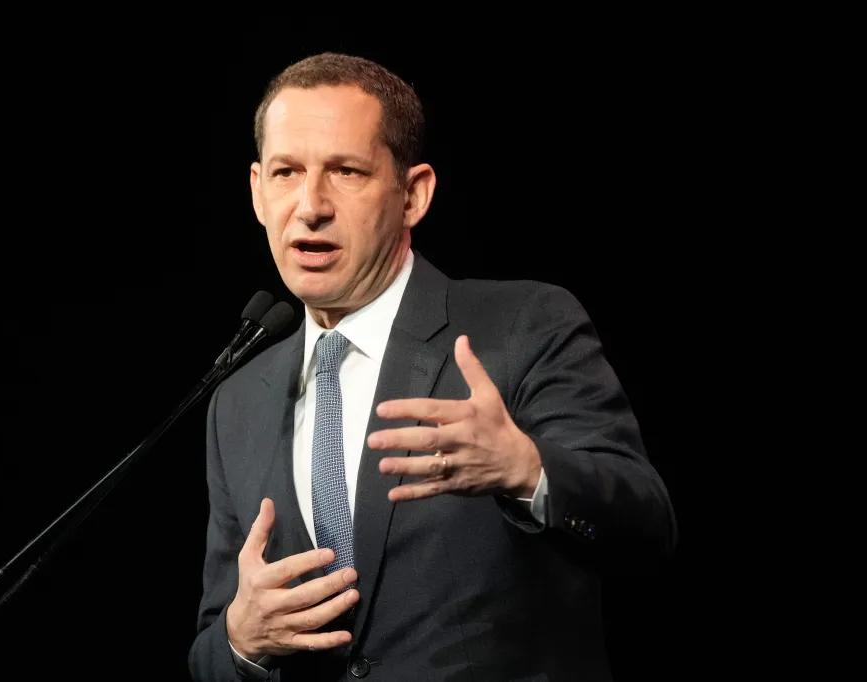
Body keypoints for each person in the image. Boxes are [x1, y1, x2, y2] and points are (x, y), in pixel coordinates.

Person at [188, 52, 676, 682]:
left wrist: (527, 470)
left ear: (413, 194)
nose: (310, 205)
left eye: (345, 171)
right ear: (257, 191)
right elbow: (209, 646)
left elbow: (647, 526)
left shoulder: (521, 325)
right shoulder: (238, 401)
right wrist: (242, 638)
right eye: (286, 172)